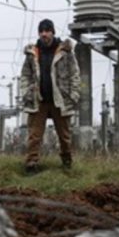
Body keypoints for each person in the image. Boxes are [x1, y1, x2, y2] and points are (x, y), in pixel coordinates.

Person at [19, 18, 80, 174]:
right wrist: (26, 92)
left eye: (47, 31)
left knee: (64, 135)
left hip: (60, 100)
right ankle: (31, 163)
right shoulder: (32, 53)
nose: (44, 34)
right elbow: (25, 75)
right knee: (34, 135)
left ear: (53, 32)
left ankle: (67, 162)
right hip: (38, 100)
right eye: (41, 31)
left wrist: (73, 95)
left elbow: (74, 74)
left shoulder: (65, 52)